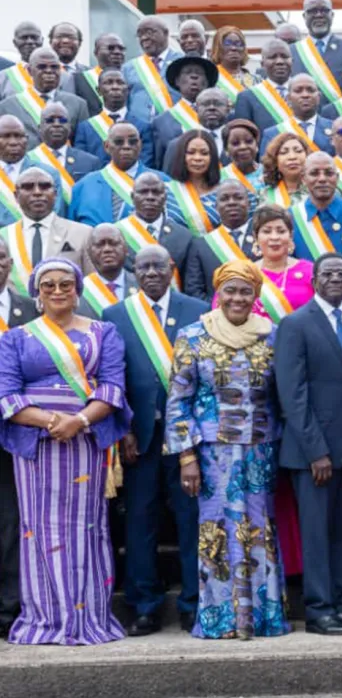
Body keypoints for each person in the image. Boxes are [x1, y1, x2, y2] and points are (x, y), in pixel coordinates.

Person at [0, 257, 130, 644]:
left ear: (78, 290)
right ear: (37, 294)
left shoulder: (104, 333)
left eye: (65, 284)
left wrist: (80, 421)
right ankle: (46, 620)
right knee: (38, 529)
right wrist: (50, 421)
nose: (57, 291)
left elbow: (112, 388)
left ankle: (89, 616)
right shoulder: (16, 338)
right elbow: (6, 394)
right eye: (48, 285)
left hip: (86, 443)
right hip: (36, 447)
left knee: (86, 527)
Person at [164, 260, 291, 639]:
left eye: (245, 291)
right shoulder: (193, 336)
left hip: (260, 451)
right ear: (218, 294)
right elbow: (178, 399)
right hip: (212, 455)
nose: (237, 298)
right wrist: (186, 457)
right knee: (217, 529)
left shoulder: (273, 336)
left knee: (260, 529)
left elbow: (282, 395)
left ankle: (263, 618)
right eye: (230, 290)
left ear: (256, 295)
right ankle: (222, 620)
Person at [103, 246, 207, 636]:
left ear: (172, 269)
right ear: (135, 271)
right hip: (140, 440)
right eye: (142, 266)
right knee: (140, 524)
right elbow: (111, 378)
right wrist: (124, 428)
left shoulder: (198, 310)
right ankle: (143, 606)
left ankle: (194, 604)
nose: (150, 273)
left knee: (191, 521)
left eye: (157, 266)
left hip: (189, 441)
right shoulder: (116, 315)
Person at [275, 253, 342, 635]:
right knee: (316, 533)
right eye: (327, 273)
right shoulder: (295, 324)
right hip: (312, 452)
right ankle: (318, 611)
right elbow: (292, 394)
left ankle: (339, 606)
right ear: (313, 280)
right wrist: (316, 450)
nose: (335, 278)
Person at [0, 240, 38, 638]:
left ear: (9, 263)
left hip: (16, 429)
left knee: (11, 523)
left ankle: (9, 608)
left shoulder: (29, 309)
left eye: (0, 258)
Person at [1, 168, 93, 287]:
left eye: (44, 186)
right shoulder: (3, 237)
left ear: (55, 194)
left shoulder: (83, 234)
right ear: (16, 195)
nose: (37, 192)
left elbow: (92, 285)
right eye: (28, 187)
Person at [71, 122, 166, 226]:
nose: (126, 146)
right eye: (119, 142)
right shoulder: (83, 186)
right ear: (106, 146)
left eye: (133, 141)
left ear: (140, 145)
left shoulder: (163, 182)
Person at [184, 181, 259, 300]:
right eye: (224, 199)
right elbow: (194, 290)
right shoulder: (201, 245)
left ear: (249, 204)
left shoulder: (263, 239)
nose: (232, 202)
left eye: (238, 197)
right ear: (216, 206)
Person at [0, 48, 89, 144]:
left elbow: (81, 144)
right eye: (42, 67)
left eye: (54, 67)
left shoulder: (78, 104)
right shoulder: (7, 106)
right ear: (29, 71)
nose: (49, 71)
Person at [119, 172, 194, 283]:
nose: (150, 197)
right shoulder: (118, 234)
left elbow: (190, 282)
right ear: (132, 197)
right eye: (143, 192)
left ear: (165, 198)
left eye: (156, 192)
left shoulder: (183, 236)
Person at [74, 68, 156, 166]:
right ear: (99, 90)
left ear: (128, 89)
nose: (115, 87)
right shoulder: (85, 128)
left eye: (120, 83)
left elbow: (145, 162)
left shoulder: (143, 127)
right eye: (109, 83)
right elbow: (83, 162)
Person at [289, 0, 342, 102]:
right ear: (304, 16)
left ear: (332, 15)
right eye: (312, 11)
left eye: (324, 10)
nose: (319, 15)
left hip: (341, 116)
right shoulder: (291, 52)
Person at [149, 57, 220, 169]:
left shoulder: (223, 116)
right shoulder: (162, 122)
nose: (194, 76)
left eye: (199, 73)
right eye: (187, 72)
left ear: (207, 82)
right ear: (177, 81)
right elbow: (159, 164)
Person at [28, 101, 101, 191]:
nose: (57, 124)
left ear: (69, 127)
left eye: (63, 120)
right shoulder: (28, 160)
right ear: (39, 128)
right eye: (50, 120)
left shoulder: (90, 162)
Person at [258, 74, 335, 157]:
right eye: (298, 91)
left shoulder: (335, 129)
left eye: (310, 90)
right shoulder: (273, 134)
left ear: (319, 97)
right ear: (288, 98)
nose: (305, 95)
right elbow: (267, 167)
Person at [164, 129, 222, 235]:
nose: (197, 158)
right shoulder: (166, 191)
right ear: (181, 155)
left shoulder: (225, 192)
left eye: (204, 153)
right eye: (191, 152)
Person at [232, 40, 296, 134]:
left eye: (284, 56)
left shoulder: (307, 92)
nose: (279, 62)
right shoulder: (247, 97)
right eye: (272, 57)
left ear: (292, 61)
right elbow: (244, 135)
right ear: (262, 64)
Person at [78, 224, 138, 317]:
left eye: (114, 243)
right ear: (89, 252)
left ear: (126, 249)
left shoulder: (141, 286)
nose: (107, 249)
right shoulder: (79, 291)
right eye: (99, 245)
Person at [257, 131, 311, 208]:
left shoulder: (317, 189)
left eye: (298, 151)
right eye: (284, 152)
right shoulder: (265, 195)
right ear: (274, 161)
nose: (292, 157)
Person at [209, 26, 258, 102]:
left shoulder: (257, 80)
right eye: (227, 43)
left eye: (238, 44)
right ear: (217, 47)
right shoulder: (210, 80)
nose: (234, 48)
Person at [220, 118, 264, 193]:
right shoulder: (219, 178)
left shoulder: (268, 174)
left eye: (249, 141)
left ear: (256, 145)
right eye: (235, 143)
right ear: (226, 149)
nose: (243, 147)